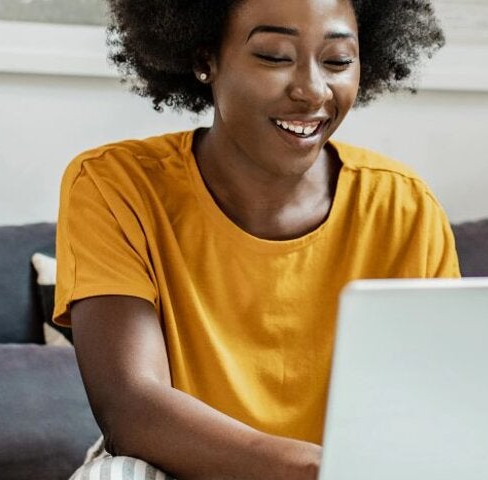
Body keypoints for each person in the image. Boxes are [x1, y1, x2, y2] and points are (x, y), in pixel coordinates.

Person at [54, 1, 452, 478]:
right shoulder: (114, 185)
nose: (312, 90)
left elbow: (434, 404)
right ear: (206, 61)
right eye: (274, 56)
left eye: (338, 61)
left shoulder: (404, 205)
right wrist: (315, 469)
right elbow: (131, 410)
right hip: (183, 465)